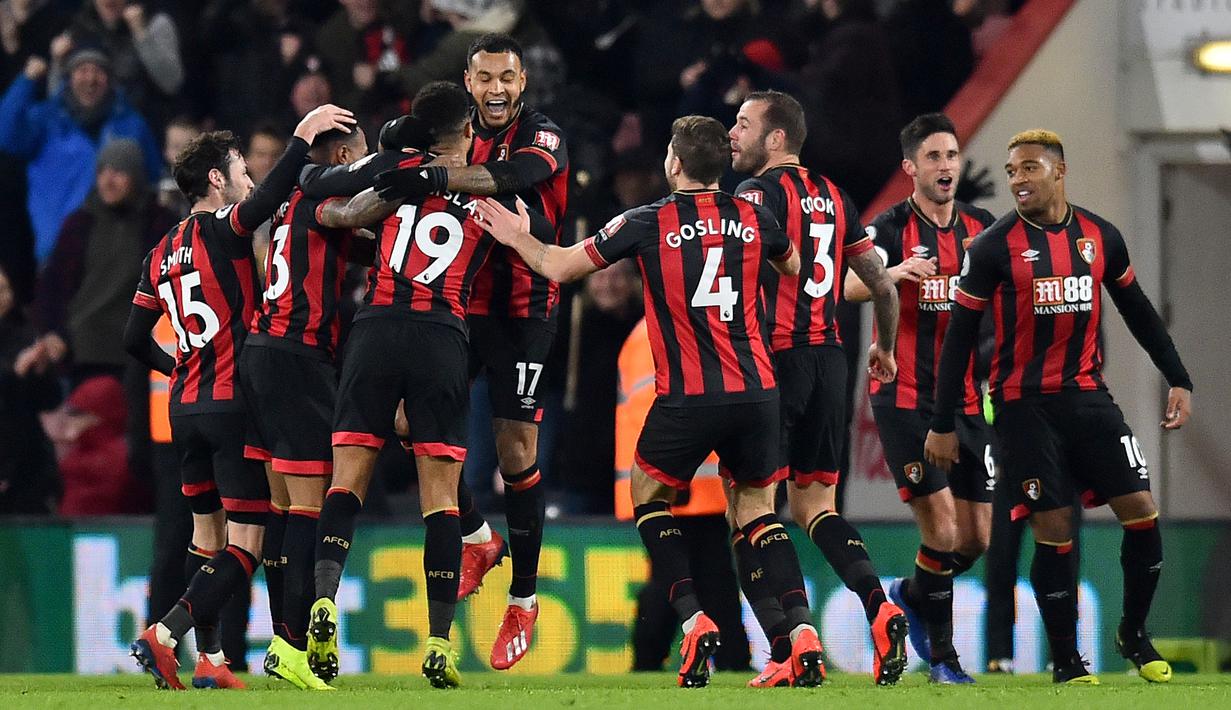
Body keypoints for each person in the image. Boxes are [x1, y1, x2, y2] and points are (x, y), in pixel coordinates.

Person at [473, 115, 827, 689]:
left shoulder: (646, 221)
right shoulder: (756, 216)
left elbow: (559, 266)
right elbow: (792, 265)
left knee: (648, 496)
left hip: (689, 397)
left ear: (674, 164)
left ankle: (693, 621)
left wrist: (516, 235)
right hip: (758, 392)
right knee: (759, 514)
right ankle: (802, 632)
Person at [303, 80, 556, 689]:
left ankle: (324, 600)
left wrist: (324, 208)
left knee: (347, 482)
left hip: (375, 328)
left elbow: (341, 213)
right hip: (442, 333)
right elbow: (531, 238)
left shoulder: (394, 176)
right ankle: (440, 643)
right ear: (468, 131)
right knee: (438, 495)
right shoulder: (485, 190)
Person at [924, 129, 1193, 685]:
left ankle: (1134, 633)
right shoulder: (994, 247)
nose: (1017, 179)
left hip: (1090, 399)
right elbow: (957, 339)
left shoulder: (1101, 236)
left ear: (1058, 171)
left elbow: (1139, 311)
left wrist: (1178, 377)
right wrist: (943, 423)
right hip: (1024, 408)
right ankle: (1068, 663)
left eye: (1029, 168)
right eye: (1012, 170)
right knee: (1053, 529)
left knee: (1142, 513)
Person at [123, 103, 354, 691]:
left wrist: (176, 365)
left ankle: (214, 660)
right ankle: (167, 632)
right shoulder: (223, 228)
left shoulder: (161, 249)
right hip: (232, 404)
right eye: (241, 170)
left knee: (207, 538)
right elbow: (268, 196)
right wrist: (302, 137)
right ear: (218, 181)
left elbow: (132, 338)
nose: (251, 178)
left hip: (184, 409)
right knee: (247, 542)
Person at [373, 32, 569, 671]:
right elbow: (390, 143)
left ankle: (525, 597)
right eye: (484, 77)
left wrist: (434, 175)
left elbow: (519, 181)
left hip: (524, 310)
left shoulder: (545, 136)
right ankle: (478, 536)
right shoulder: (454, 129)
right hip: (458, 304)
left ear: (523, 83)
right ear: (467, 79)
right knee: (410, 422)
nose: (495, 89)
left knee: (516, 452)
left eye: (506, 78)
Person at [728, 90, 907, 687]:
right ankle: (879, 606)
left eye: (744, 124)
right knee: (815, 508)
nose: (733, 133)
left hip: (771, 365)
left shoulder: (754, 196)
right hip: (830, 362)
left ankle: (791, 640)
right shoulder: (835, 196)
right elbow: (883, 286)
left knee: (750, 509)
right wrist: (884, 347)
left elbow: (727, 275)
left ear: (776, 138)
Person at [844, 112, 997, 683]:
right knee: (942, 528)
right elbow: (846, 285)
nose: (946, 166)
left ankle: (910, 593)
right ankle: (943, 658)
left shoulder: (982, 229)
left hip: (964, 401)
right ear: (910, 168)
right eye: (933, 157)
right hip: (904, 395)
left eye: (952, 156)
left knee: (976, 539)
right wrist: (896, 274)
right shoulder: (887, 229)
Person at [241, 124, 371, 692]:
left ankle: (279, 639)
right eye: (360, 155)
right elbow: (357, 216)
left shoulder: (292, 205)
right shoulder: (327, 201)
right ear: (344, 157)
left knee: (279, 504)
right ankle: (291, 642)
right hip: (299, 356)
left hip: (260, 353)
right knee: (308, 508)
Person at [31, 138, 177, 383]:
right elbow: (51, 285)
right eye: (102, 172)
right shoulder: (79, 224)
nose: (108, 181)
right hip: (81, 352)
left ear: (135, 176)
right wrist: (51, 331)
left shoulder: (159, 224)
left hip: (139, 355)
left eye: (118, 172)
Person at [0, 47, 160, 264]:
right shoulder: (46, 120)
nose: (91, 79)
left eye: (98, 71)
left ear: (110, 79)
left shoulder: (131, 124)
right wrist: (25, 80)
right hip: (56, 249)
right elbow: (6, 133)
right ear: (69, 77)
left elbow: (151, 177)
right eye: (82, 70)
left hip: (118, 252)